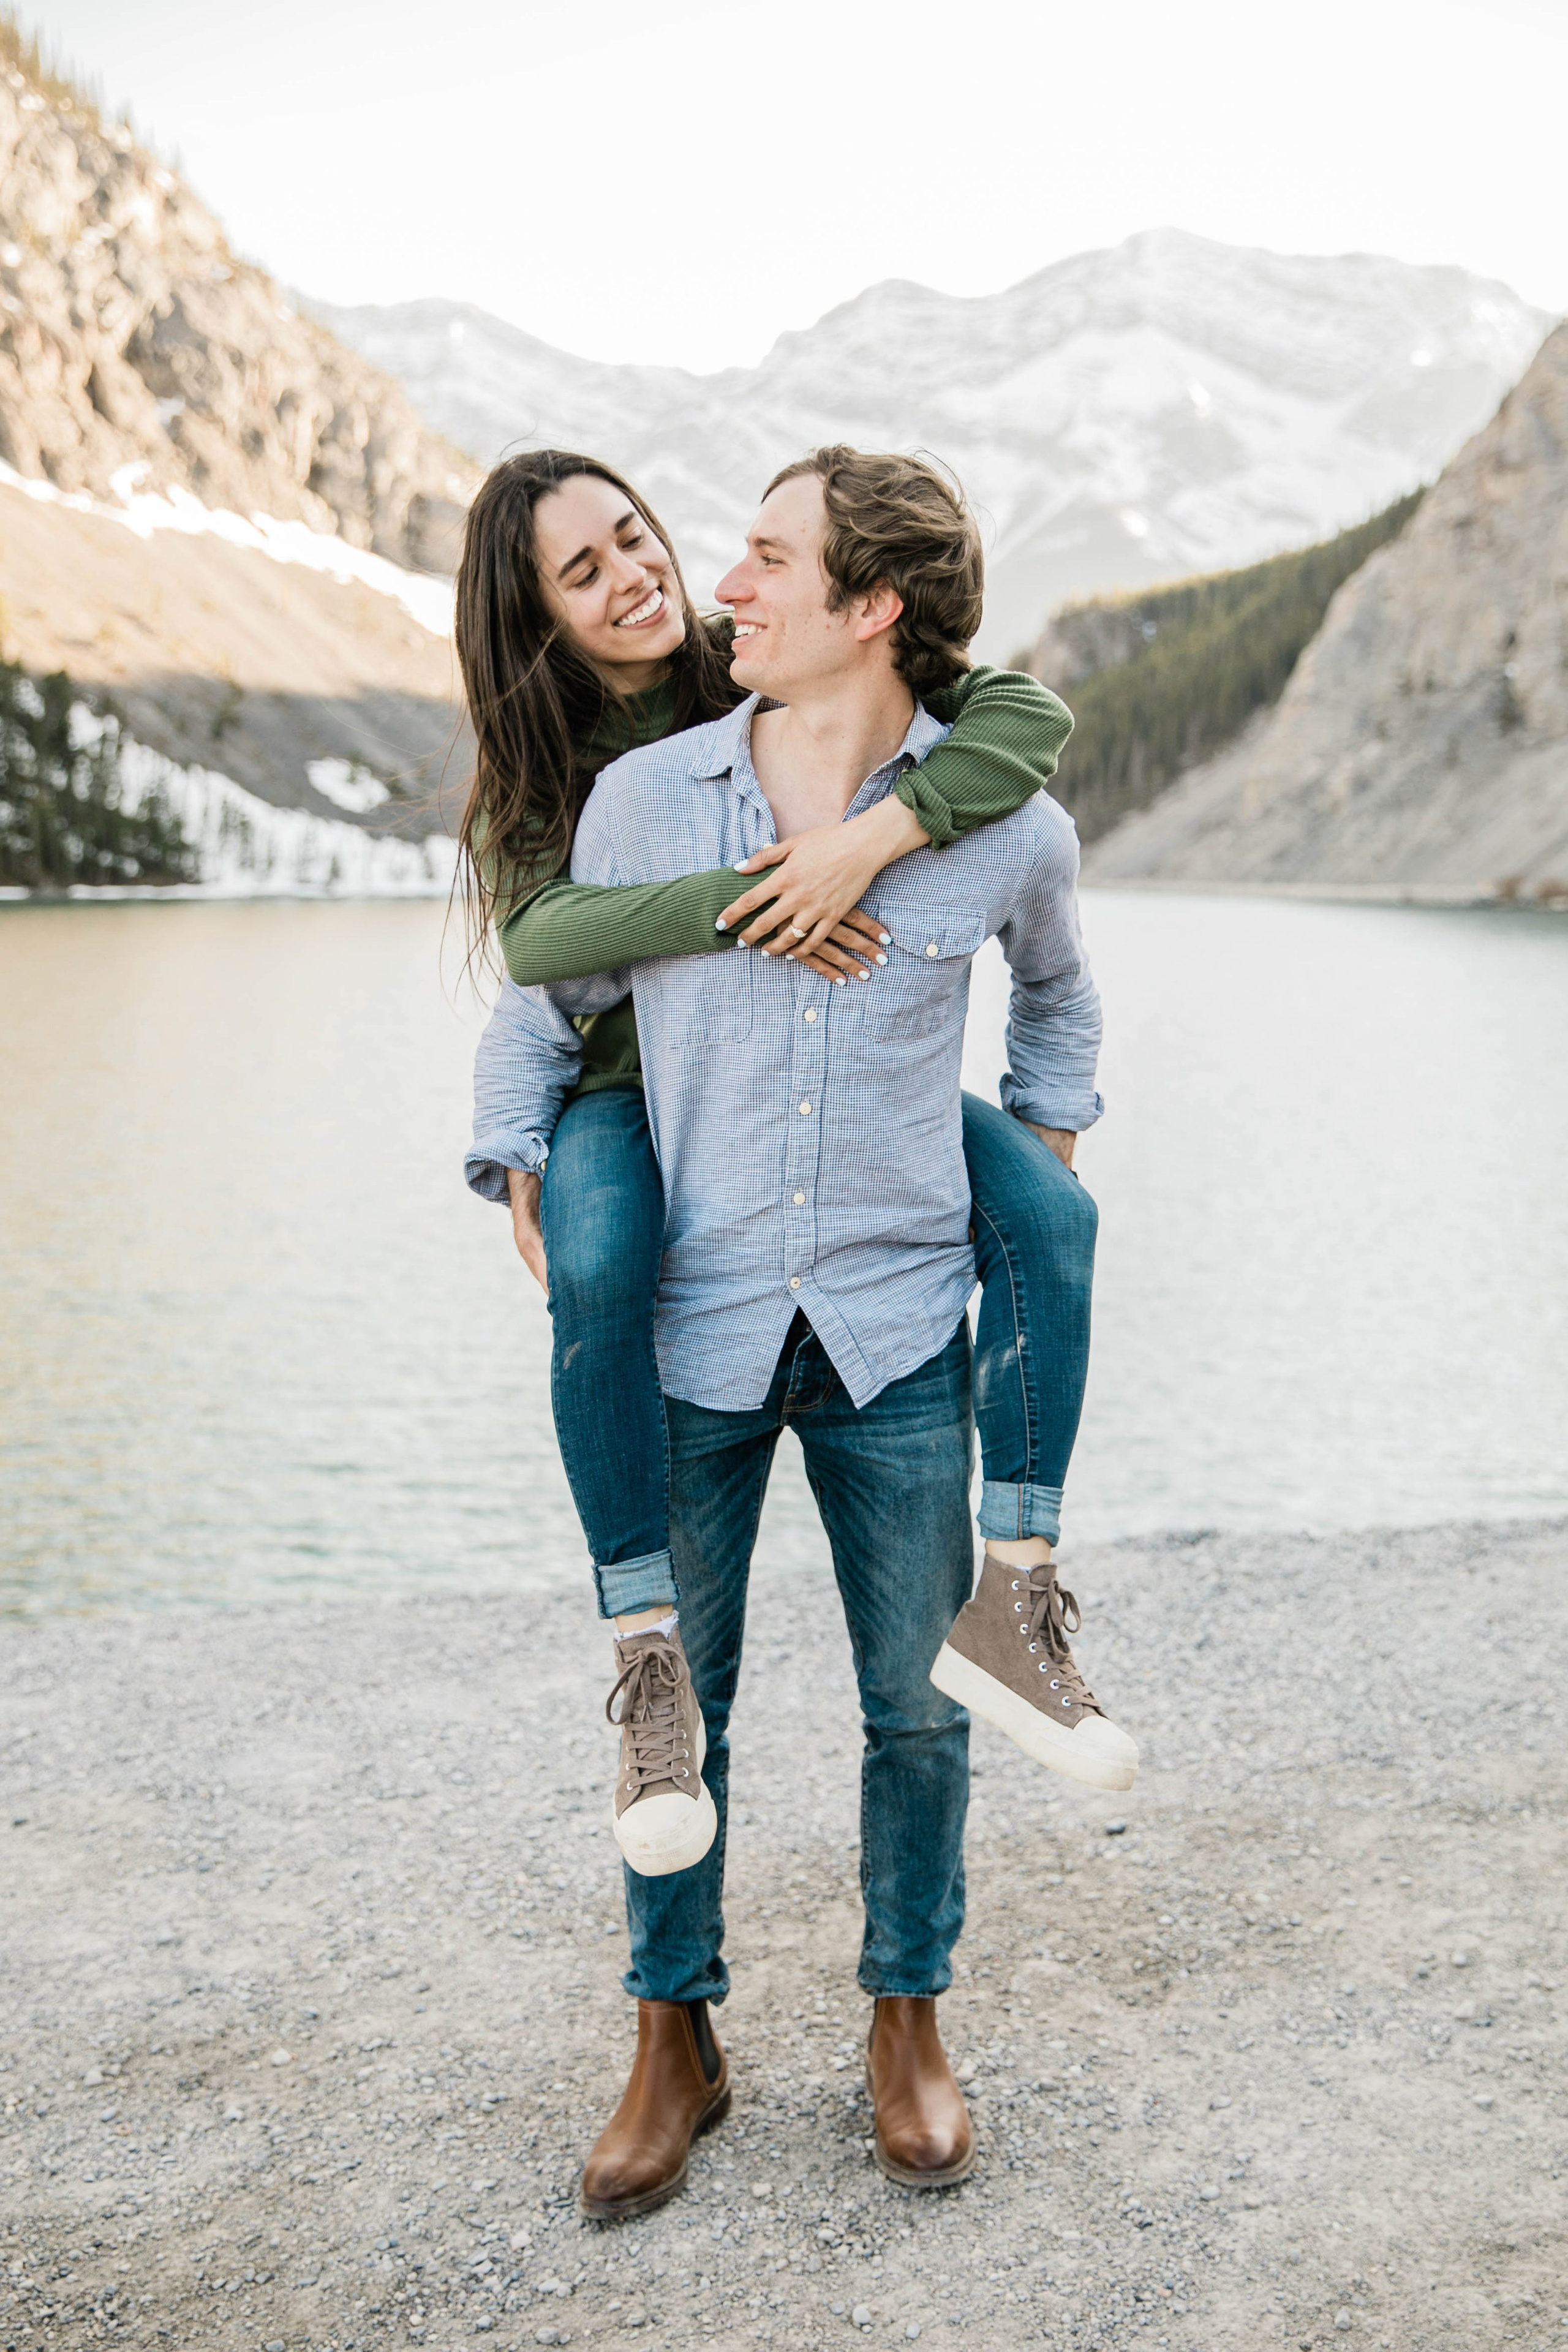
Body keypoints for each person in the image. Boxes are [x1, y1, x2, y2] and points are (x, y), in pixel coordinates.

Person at [466, 447, 1136, 2217]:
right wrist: (520, 1150)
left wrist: (1043, 1141)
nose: (717, 586)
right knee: (687, 1701)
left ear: (871, 610)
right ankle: (670, 2037)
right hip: (690, 1316)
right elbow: (550, 996)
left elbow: (1060, 985)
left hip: (899, 1321)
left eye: (765, 560)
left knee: (924, 1714)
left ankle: (907, 2017)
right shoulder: (647, 807)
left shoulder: (999, 821)